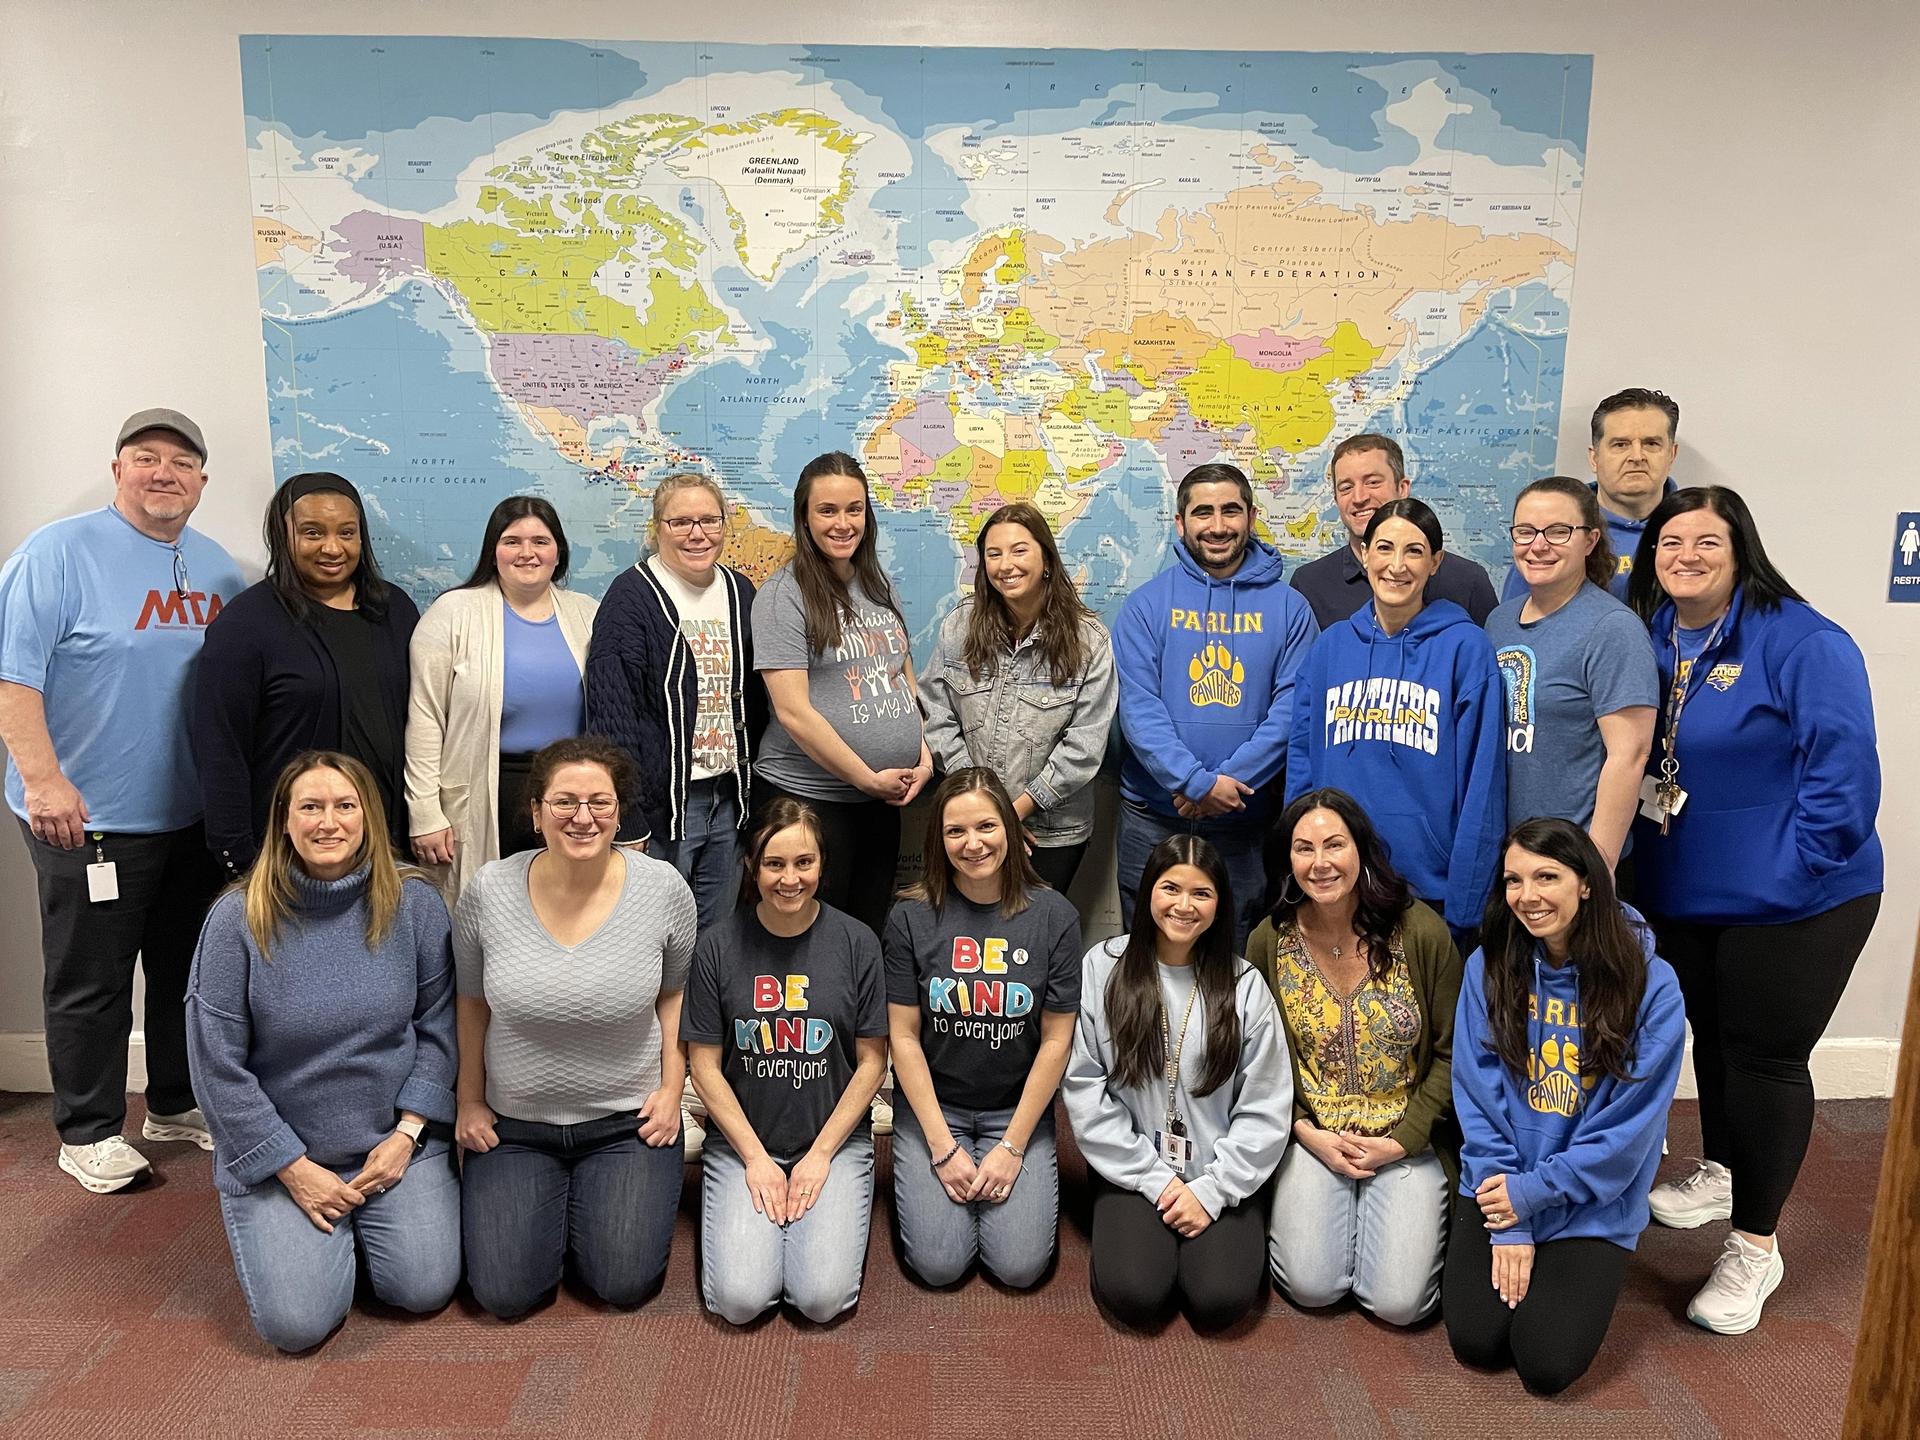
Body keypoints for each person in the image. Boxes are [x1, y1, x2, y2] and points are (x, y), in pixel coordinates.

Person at [1626, 486, 1883, 1334]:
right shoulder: (1654, 633)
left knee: (1767, 1059)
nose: (1686, 556)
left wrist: (1793, 871)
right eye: (1670, 542)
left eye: (1707, 541)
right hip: (1686, 889)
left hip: (1797, 901)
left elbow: (1843, 779)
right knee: (1715, 1036)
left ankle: (1755, 1246)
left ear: (1742, 548)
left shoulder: (1802, 640)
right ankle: (1725, 1169)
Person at [0, 409, 244, 1192]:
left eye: (181, 462)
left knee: (182, 971)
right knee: (92, 979)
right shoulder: (56, 553)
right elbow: (14, 679)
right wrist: (44, 780)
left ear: (202, 482)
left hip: (189, 816)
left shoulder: (218, 572)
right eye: (146, 458)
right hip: (86, 818)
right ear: (118, 470)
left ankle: (173, 1102)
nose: (163, 473)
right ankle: (88, 1129)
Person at [186, 751, 459, 1352]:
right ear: (284, 820)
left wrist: (409, 1133)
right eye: (310, 807)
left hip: (393, 1145)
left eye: (344, 805)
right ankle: (326, 1239)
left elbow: (440, 1027)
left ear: (370, 818)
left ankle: (364, 1233)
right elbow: (216, 1068)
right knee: (298, 1327)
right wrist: (292, 1167)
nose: (327, 822)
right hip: (287, 1157)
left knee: (424, 1289)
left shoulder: (414, 904)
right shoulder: (236, 919)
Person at [453, 737, 695, 1317]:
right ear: (535, 813)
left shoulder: (663, 890)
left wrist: (671, 1093)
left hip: (627, 1124)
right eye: (563, 802)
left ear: (619, 811)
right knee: (505, 1295)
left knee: (622, 1284)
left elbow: (675, 996)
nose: (582, 817)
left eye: (599, 803)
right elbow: (469, 1004)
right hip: (513, 1126)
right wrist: (468, 1101)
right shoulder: (487, 891)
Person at [1444, 818, 1685, 1396]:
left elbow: (1628, 1132)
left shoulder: (1652, 983)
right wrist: (1508, 1218)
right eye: (1514, 880)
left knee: (1546, 1362)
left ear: (1586, 884)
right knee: (1477, 1341)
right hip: (1502, 1181)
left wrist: (1535, 1195)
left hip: (1592, 1195)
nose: (1528, 897)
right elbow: (1477, 1103)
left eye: (1546, 876)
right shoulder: (1489, 966)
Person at [1248, 788, 1461, 1326]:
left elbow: (1453, 1053)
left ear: (1361, 849)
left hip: (1404, 1136)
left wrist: (1401, 1142)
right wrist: (1302, 1129)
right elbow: (1259, 1058)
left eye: (1334, 844)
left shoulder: (1421, 933)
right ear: (1287, 859)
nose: (1320, 863)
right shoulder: (1267, 942)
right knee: (1312, 1287)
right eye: (1304, 848)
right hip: (1315, 1134)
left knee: (1399, 1304)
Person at [1063, 835, 1291, 1329]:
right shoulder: (1103, 968)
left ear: (1220, 903)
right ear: (1148, 892)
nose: (1184, 906)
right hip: (1132, 1166)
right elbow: (1085, 1088)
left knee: (1220, 1300)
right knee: (1137, 1295)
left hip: (1221, 1170)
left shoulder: (1244, 985)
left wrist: (1213, 1190)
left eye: (1202, 893)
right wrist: (1155, 1179)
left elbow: (1266, 1105)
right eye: (1171, 888)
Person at [681, 798, 889, 1323]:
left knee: (820, 1301)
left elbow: (871, 1064)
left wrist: (820, 1157)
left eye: (804, 863)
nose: (789, 879)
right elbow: (703, 1067)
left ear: (822, 864)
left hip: (832, 1142)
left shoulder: (857, 942)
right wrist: (754, 1159)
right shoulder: (717, 946)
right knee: (740, 1301)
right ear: (752, 865)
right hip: (743, 1140)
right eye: (774, 864)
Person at [884, 769, 1082, 1288]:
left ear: (1011, 831)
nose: (973, 844)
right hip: (935, 1106)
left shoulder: (1054, 915)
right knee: (940, 1266)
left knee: (1018, 1268)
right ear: (939, 839)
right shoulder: (910, 916)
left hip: (1015, 1109)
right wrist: (941, 1146)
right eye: (955, 831)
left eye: (987, 827)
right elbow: (902, 1037)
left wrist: (1013, 1147)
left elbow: (1057, 1040)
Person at [1113, 462, 1320, 946]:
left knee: (1236, 960)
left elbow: (1291, 710)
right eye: (1202, 512)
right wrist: (1194, 782)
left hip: (1245, 824)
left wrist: (1225, 785)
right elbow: (1139, 710)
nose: (1218, 525)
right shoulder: (1145, 605)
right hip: (1152, 819)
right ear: (1181, 523)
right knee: (1147, 956)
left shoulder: (1291, 609)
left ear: (1250, 516)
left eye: (1231, 510)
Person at [1285, 499, 1506, 940]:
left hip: (1430, 894)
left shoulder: (1466, 649)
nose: (1397, 566)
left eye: (1415, 551)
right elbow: (1301, 772)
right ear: (1364, 554)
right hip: (1337, 888)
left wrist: (1467, 907)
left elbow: (1484, 786)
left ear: (1436, 562)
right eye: (1384, 548)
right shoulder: (1329, 648)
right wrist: (1300, 876)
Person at [195, 473, 418, 881]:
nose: (332, 548)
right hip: (289, 856)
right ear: (283, 535)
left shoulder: (395, 611)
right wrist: (239, 858)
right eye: (312, 532)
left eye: (347, 533)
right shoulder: (246, 624)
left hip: (387, 847)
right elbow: (221, 748)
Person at [752, 451, 931, 936]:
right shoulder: (782, 596)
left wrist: (925, 754)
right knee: (811, 939)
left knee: (866, 932)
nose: (843, 523)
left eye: (855, 509)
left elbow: (901, 670)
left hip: (880, 803)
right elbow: (793, 713)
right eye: (827, 511)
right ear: (804, 517)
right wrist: (866, 778)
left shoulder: (876, 582)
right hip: (809, 804)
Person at [586, 472, 764, 922]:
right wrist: (627, 819)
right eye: (680, 522)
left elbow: (758, 701)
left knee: (716, 939)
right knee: (657, 937)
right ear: (657, 528)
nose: (697, 534)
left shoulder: (741, 592)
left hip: (729, 802)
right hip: (661, 810)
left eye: (710, 520)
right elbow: (611, 716)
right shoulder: (631, 598)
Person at [405, 496, 598, 901]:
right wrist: (424, 813)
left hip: (567, 796)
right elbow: (425, 718)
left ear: (558, 551)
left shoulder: (588, 614)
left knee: (564, 910)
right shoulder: (452, 613)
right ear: (493, 551)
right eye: (512, 541)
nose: (527, 553)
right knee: (485, 915)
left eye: (540, 542)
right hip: (485, 789)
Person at [919, 502, 1116, 894]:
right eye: (993, 554)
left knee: (1033, 941)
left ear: (1046, 559)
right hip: (968, 831)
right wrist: (980, 805)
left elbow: (1085, 746)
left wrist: (1013, 813)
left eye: (1019, 550)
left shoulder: (1089, 641)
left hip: (1051, 834)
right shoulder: (960, 625)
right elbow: (935, 711)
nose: (1005, 564)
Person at [1484, 477, 1657, 872]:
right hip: (1510, 861)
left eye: (1558, 531)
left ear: (1590, 540)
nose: (1538, 545)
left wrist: (1599, 866)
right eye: (1525, 531)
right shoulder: (1498, 622)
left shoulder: (1612, 628)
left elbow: (1629, 756)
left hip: (1573, 863)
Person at [1290, 434, 1498, 628]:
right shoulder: (1308, 584)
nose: (1359, 497)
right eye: (1346, 487)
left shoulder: (1468, 580)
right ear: (1336, 499)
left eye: (1373, 482)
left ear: (1402, 488)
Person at [1502, 389, 1681, 603]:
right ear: (1594, 457)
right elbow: (1517, 623)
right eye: (1620, 444)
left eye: (1651, 444)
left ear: (1671, 454)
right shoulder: (1553, 533)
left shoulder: (1697, 529)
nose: (1636, 457)